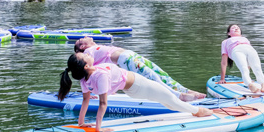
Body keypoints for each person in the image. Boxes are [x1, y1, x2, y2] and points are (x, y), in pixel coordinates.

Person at [58, 52, 211, 132]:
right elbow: (103, 104)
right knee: (171, 99)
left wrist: (81, 122)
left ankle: (192, 110)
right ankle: (197, 111)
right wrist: (98, 128)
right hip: (139, 85)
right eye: (84, 56)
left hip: (133, 88)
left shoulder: (85, 79)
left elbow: (85, 100)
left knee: (168, 102)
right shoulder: (100, 76)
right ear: (85, 66)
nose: (87, 54)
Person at [74, 37, 206, 102]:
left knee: (160, 73)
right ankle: (180, 96)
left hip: (131, 56)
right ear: (83, 46)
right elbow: (84, 71)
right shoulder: (88, 53)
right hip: (127, 59)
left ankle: (185, 90)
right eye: (81, 39)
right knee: (154, 78)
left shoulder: (94, 51)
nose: (84, 36)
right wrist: (90, 91)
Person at [220, 24, 264, 94]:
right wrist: (222, 79)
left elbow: (249, 63)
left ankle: (263, 84)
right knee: (244, 68)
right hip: (236, 50)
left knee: (257, 67)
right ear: (229, 33)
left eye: (237, 28)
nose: (236, 28)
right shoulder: (225, 42)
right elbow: (224, 62)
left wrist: (248, 77)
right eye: (233, 28)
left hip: (250, 49)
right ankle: (250, 85)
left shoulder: (245, 39)